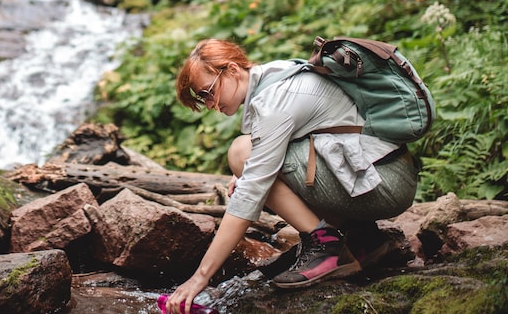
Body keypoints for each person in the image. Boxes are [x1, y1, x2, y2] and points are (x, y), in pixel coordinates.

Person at [164, 39, 419, 314]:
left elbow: (252, 191)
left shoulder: (273, 101)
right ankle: (361, 238)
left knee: (241, 153)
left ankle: (324, 245)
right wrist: (251, 172)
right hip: (382, 174)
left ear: (233, 70)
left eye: (208, 92)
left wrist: (199, 277)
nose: (210, 104)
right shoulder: (277, 75)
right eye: (202, 99)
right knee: (249, 162)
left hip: (385, 183)